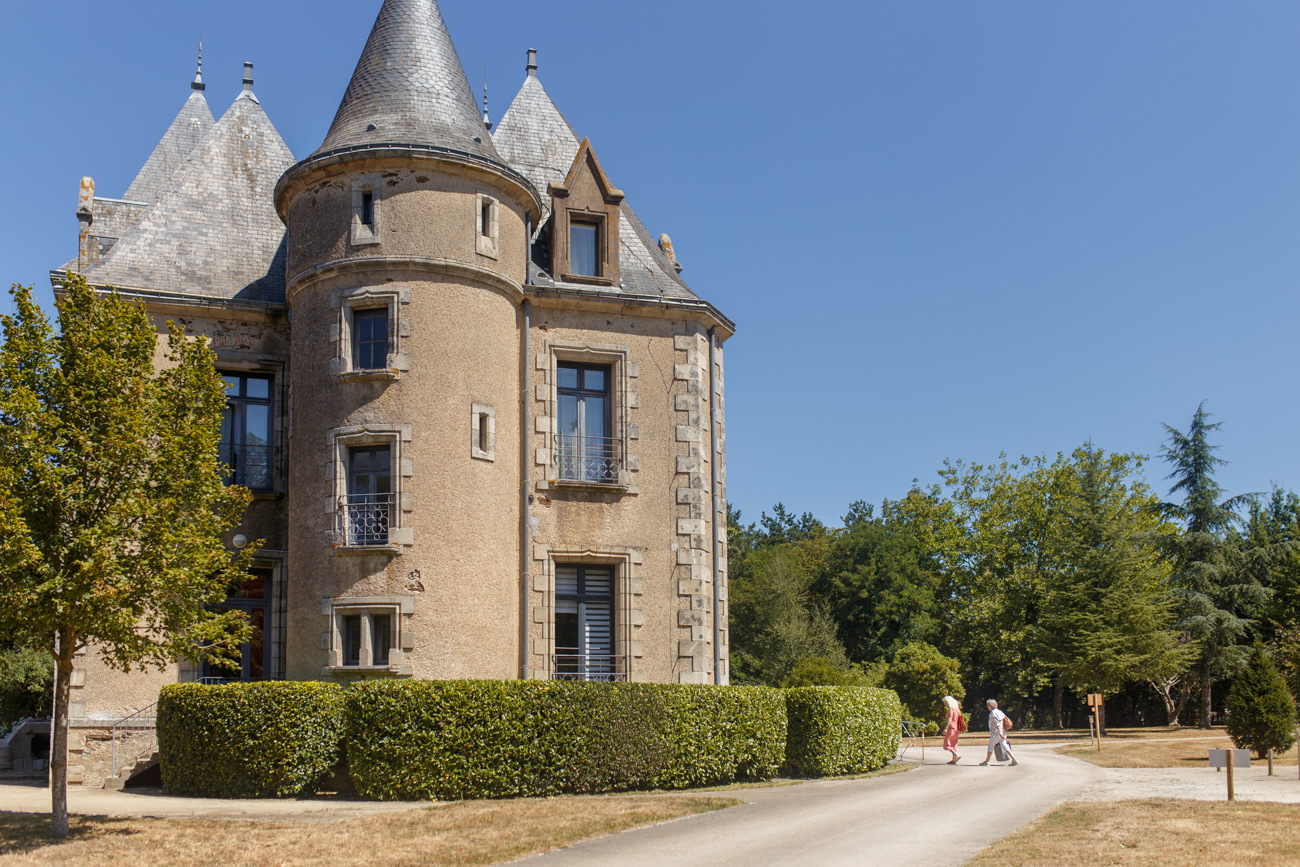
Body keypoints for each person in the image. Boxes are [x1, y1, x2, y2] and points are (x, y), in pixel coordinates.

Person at [979, 698, 1018, 766]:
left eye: (988, 705)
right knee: (1004, 745)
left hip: (996, 733)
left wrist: (999, 732)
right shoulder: (999, 711)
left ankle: (987, 761)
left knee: (991, 746)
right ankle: (1014, 759)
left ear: (990, 706)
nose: (987, 707)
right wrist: (1001, 732)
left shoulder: (993, 713)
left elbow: (997, 723)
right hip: (1002, 732)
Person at [942, 695, 963, 764]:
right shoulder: (957, 708)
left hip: (952, 726)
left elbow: (950, 718)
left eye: (946, 702)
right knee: (953, 743)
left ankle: (957, 755)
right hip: (957, 727)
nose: (945, 704)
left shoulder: (951, 708)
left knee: (947, 743)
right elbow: (960, 717)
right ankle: (954, 759)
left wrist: (946, 728)